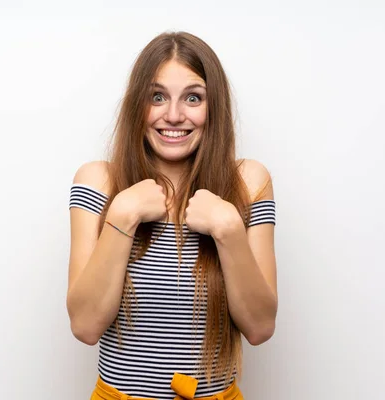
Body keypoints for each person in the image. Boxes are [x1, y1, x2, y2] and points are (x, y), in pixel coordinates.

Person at [67, 31, 277, 400]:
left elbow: (260, 327)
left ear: (215, 108)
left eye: (193, 98)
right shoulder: (98, 182)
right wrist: (123, 215)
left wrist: (228, 227)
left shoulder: (248, 182)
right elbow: (85, 326)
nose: (174, 115)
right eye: (157, 97)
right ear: (137, 105)